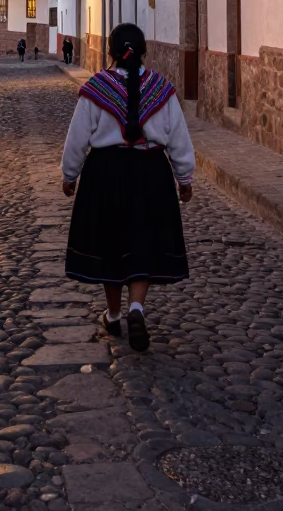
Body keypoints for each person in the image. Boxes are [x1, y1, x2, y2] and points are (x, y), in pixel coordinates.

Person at [60, 23, 194, 353]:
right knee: (142, 242)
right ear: (144, 52)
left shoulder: (96, 89)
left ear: (110, 52)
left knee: (110, 245)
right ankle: (137, 307)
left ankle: (114, 313)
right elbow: (178, 138)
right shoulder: (162, 89)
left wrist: (69, 175)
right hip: (151, 175)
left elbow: (77, 138)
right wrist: (185, 178)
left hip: (105, 173)